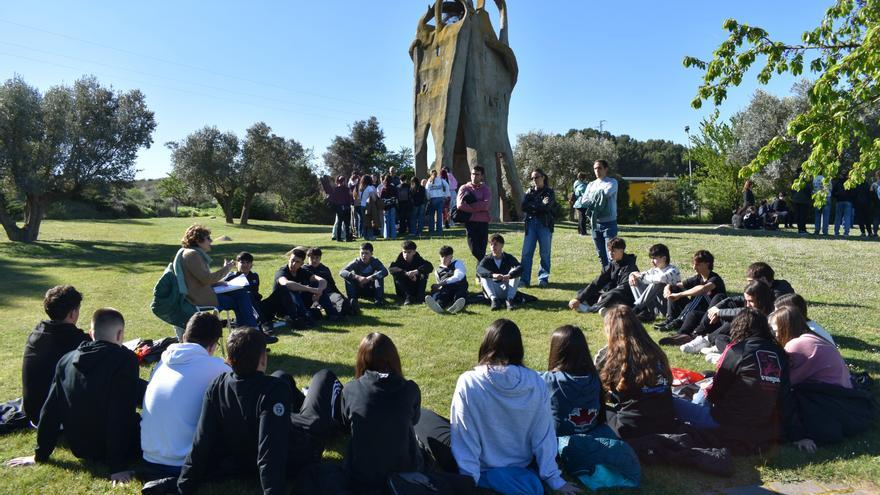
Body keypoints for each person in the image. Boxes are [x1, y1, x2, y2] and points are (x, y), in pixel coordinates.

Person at [177, 327, 343, 495]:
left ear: (229, 359)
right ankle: (340, 423)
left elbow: (201, 441)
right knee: (324, 376)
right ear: (262, 359)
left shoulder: (217, 385)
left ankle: (308, 409)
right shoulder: (273, 391)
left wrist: (183, 485)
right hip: (302, 451)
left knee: (280, 375)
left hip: (247, 458)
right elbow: (271, 453)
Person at [6, 309, 142, 484]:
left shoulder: (66, 360)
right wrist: (117, 466)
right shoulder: (125, 359)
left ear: (91, 333)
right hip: (115, 448)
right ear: (120, 333)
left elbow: (50, 411)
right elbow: (119, 412)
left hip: (79, 446)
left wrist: (41, 453)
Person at [448, 319, 581, 494]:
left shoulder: (469, 382)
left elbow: (464, 434)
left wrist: (469, 480)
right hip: (521, 463)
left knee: (427, 421)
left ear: (486, 346)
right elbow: (543, 434)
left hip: (484, 467)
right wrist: (553, 478)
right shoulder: (536, 381)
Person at [671, 309, 789, 452]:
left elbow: (715, 393)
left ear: (739, 327)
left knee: (675, 400)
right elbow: (784, 395)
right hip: (763, 428)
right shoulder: (780, 354)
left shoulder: (737, 351)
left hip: (728, 424)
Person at [140, 312, 230, 479]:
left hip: (149, 458)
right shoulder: (217, 368)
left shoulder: (162, 363)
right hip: (185, 464)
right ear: (212, 345)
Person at [341, 333, 422, 491]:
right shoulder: (410, 389)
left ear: (361, 359)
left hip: (361, 477)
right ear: (393, 358)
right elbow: (415, 420)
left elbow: (345, 423)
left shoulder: (350, 389)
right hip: (406, 475)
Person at [595, 306, 675, 439]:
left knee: (590, 411)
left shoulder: (608, 355)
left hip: (631, 428)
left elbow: (596, 393)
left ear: (610, 329)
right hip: (666, 423)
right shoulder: (655, 350)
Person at [21, 285, 91, 426]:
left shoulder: (38, 332)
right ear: (72, 313)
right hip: (55, 420)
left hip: (33, 412)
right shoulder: (75, 340)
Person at [178, 224, 259, 329]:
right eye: (208, 238)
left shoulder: (193, 253)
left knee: (240, 294)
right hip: (199, 298)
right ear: (198, 240)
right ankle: (251, 331)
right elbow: (206, 279)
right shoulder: (192, 254)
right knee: (240, 298)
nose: (211, 241)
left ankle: (248, 332)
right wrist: (226, 269)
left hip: (202, 292)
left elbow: (200, 279)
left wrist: (217, 282)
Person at [541, 325, 604, 437]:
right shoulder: (595, 378)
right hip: (592, 438)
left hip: (559, 443)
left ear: (556, 351)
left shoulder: (549, 380)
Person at [770, 307, 850, 388]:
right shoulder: (813, 337)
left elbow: (785, 381)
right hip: (844, 390)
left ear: (785, 328)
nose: (776, 335)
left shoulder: (796, 345)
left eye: (777, 331)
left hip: (828, 395)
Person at [263, 248, 339, 329]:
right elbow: (287, 284)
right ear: (289, 259)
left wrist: (319, 291)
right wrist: (311, 289)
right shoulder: (282, 271)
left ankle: (332, 314)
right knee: (292, 289)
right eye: (292, 260)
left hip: (298, 303)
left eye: (297, 262)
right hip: (283, 306)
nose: (293, 264)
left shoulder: (301, 271)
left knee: (316, 283)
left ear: (302, 263)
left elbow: (322, 280)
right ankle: (306, 317)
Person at [654, 250, 726, 332]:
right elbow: (677, 284)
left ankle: (679, 321)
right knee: (674, 289)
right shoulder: (698, 278)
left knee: (701, 293)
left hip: (709, 314)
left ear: (707, 264)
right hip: (694, 309)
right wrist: (668, 287)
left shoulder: (715, 279)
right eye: (694, 264)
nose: (694, 267)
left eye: (698, 265)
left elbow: (703, 289)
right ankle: (671, 319)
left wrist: (680, 295)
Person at [569, 237, 638, 314]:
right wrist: (578, 299)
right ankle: (602, 308)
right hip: (609, 294)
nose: (610, 253)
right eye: (609, 251)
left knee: (612, 295)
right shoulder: (613, 264)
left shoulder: (629, 266)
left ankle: (590, 309)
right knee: (581, 292)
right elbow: (598, 282)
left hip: (624, 298)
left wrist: (605, 295)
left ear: (621, 250)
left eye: (613, 251)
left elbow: (623, 289)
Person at [520, 168, 557, 288]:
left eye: (536, 177)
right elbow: (523, 206)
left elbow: (547, 207)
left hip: (544, 225)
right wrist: (540, 205)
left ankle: (543, 279)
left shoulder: (549, 192)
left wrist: (534, 206)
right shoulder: (529, 192)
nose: (534, 180)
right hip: (530, 225)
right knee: (526, 253)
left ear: (543, 177)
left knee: (545, 253)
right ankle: (524, 280)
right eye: (532, 178)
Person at [628, 243, 681, 323]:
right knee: (635, 279)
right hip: (656, 307)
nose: (652, 261)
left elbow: (661, 278)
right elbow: (640, 275)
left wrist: (642, 277)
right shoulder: (654, 270)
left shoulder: (673, 270)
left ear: (664, 258)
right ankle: (645, 311)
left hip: (669, 307)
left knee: (658, 282)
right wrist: (632, 275)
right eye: (651, 258)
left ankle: (637, 308)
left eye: (654, 258)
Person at [582, 159, 619, 268]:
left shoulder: (612, 182)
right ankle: (606, 279)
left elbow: (606, 194)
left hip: (609, 223)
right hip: (595, 224)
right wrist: (598, 194)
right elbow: (584, 200)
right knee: (601, 255)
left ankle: (614, 279)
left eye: (599, 168)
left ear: (606, 169)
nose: (597, 170)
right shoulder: (591, 184)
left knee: (611, 254)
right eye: (595, 168)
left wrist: (592, 196)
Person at [456, 165, 492, 267]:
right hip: (470, 222)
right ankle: (487, 265)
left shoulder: (486, 189)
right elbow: (460, 205)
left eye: (477, 174)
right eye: (473, 174)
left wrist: (470, 207)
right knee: (475, 250)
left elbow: (486, 205)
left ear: (482, 176)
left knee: (482, 249)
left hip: (483, 222)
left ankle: (480, 275)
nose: (474, 176)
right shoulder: (464, 188)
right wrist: (478, 207)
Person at [476, 234, 523, 311]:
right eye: (491, 244)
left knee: (515, 273)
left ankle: (509, 300)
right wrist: (492, 275)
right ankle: (494, 300)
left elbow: (520, 267)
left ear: (502, 245)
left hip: (506, 289)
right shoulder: (487, 258)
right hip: (493, 289)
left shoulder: (508, 257)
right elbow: (479, 269)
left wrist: (509, 275)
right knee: (484, 276)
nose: (493, 247)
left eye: (495, 244)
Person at [339, 242, 389, 312]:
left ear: (371, 254)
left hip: (371, 289)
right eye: (362, 253)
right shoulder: (356, 262)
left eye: (366, 253)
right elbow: (342, 272)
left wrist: (370, 278)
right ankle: (353, 300)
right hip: (359, 288)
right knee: (348, 277)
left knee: (379, 276)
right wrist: (357, 277)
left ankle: (379, 300)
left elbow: (385, 271)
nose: (363, 255)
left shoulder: (375, 262)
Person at [303, 247, 350, 317]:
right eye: (312, 258)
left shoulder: (325, 269)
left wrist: (342, 296)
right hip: (314, 296)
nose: (314, 260)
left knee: (339, 299)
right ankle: (341, 312)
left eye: (317, 258)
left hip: (329, 294)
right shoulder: (304, 270)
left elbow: (332, 285)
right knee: (318, 306)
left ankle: (342, 311)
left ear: (320, 258)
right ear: (307, 258)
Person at [224, 251, 266, 326]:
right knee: (248, 294)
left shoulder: (254, 276)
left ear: (251, 265)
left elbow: (256, 292)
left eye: (248, 262)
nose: (245, 265)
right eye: (242, 262)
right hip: (239, 302)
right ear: (236, 264)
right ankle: (261, 321)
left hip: (255, 302)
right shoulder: (231, 276)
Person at [425, 245, 468, 315]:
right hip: (446, 289)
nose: (443, 259)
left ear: (451, 257)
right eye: (442, 257)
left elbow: (458, 276)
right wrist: (436, 288)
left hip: (459, 286)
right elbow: (439, 284)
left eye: (446, 257)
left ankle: (456, 306)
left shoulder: (458, 263)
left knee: (459, 295)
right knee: (442, 296)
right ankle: (438, 306)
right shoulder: (438, 271)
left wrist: (443, 283)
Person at [389, 240, 434, 305]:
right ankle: (408, 297)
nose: (406, 255)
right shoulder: (399, 260)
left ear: (414, 252)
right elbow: (391, 269)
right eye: (404, 252)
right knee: (397, 274)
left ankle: (420, 297)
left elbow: (429, 266)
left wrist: (416, 271)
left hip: (416, 286)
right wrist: (406, 273)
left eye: (409, 252)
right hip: (403, 290)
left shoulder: (418, 259)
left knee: (424, 274)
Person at [425, 169, 451, 236]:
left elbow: (427, 191)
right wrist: (446, 195)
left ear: (430, 174)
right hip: (440, 199)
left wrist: (428, 198)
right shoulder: (441, 180)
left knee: (431, 216)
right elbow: (447, 186)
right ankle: (439, 230)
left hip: (432, 199)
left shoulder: (429, 181)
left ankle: (431, 230)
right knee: (439, 216)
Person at [329, 175, 353, 242]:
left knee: (339, 223)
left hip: (339, 208)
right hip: (346, 207)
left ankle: (338, 238)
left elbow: (332, 199)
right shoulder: (347, 189)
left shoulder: (336, 189)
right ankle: (347, 237)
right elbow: (350, 198)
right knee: (347, 224)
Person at [359, 175, 379, 240]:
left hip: (362, 206)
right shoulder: (369, 188)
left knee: (364, 222)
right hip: (368, 206)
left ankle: (365, 236)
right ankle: (370, 236)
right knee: (369, 222)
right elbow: (373, 198)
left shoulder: (361, 188)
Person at [380, 174, 399, 240]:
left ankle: (387, 236)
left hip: (386, 207)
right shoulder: (394, 188)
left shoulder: (383, 189)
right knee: (392, 221)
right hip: (392, 206)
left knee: (386, 221)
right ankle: (393, 236)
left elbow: (381, 199)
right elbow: (396, 197)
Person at [572, 172, 590, 236]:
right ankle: (583, 232)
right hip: (582, 203)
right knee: (583, 218)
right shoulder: (583, 186)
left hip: (578, 203)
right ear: (584, 178)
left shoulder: (576, 184)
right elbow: (586, 195)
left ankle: (580, 231)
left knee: (580, 218)